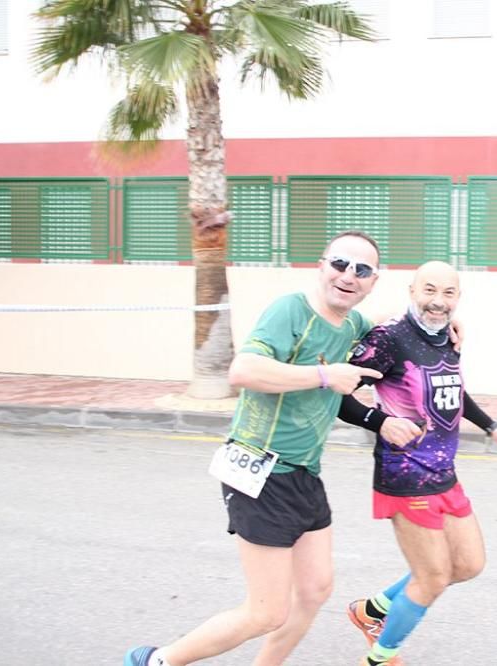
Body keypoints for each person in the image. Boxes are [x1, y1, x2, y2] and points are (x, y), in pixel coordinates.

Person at [125, 231, 386, 666]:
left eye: (362, 270)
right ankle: (155, 660)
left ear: (373, 281)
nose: (349, 275)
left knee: (317, 588)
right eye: (340, 264)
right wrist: (325, 377)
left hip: (304, 473)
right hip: (259, 469)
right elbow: (242, 369)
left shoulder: (355, 326)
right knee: (266, 612)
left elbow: (399, 325)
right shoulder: (290, 311)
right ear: (321, 266)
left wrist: (445, 320)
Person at [335, 260, 497, 666]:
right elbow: (340, 393)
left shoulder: (447, 337)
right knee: (433, 577)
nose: (438, 302)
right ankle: (381, 657)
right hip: (403, 476)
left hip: (443, 474)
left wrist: (493, 427)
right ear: (412, 291)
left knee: (468, 565)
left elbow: (454, 390)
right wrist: (380, 422)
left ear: (458, 298)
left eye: (448, 293)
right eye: (429, 290)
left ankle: (373, 610)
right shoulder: (389, 339)